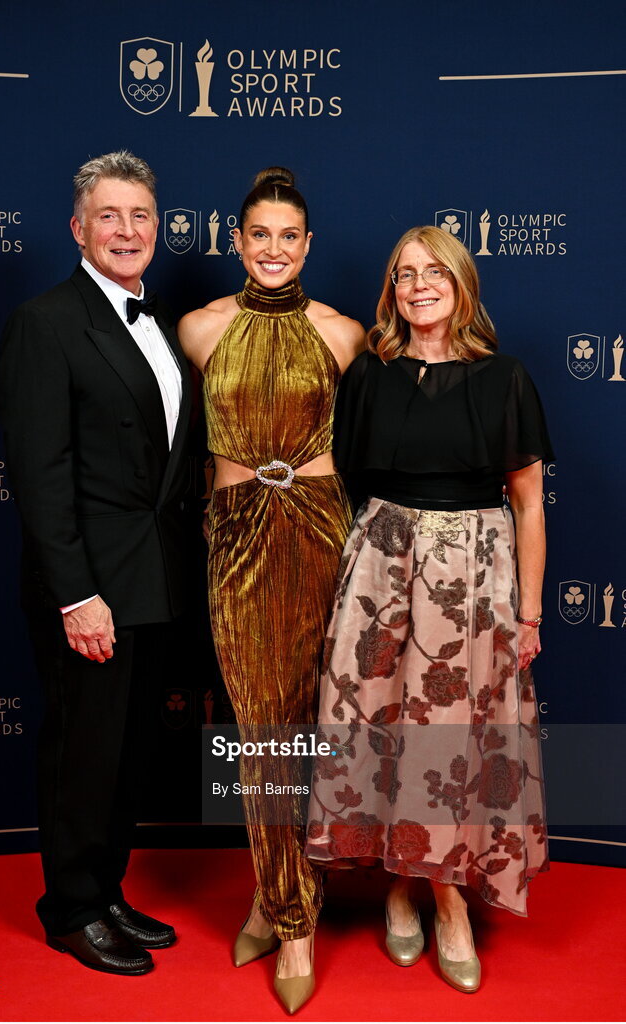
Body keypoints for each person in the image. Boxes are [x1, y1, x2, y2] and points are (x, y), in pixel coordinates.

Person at [306, 225, 552, 994]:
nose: (417, 285)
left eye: (432, 272)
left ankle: (445, 898)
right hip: (379, 567)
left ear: (461, 283)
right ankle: (400, 886)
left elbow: (530, 504)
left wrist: (531, 613)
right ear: (391, 289)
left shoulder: (503, 376)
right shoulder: (370, 377)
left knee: (445, 740)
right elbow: (342, 480)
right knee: (379, 729)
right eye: (403, 273)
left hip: (471, 580)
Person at [0, 151, 191, 975]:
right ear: (78, 229)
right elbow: (40, 477)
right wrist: (78, 596)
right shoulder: (46, 323)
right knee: (83, 749)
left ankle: (107, 890)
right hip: (92, 589)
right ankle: (71, 908)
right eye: (108, 216)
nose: (126, 230)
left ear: (158, 228)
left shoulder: (159, 322)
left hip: (155, 580)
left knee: (129, 751)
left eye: (139, 215)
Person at [178, 167, 363, 1013]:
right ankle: (285, 909)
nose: (275, 249)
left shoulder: (344, 334)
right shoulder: (200, 328)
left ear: (308, 244)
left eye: (290, 236)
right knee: (259, 730)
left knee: (312, 726)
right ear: (238, 240)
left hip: (321, 529)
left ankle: (285, 908)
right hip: (236, 532)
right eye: (261, 235)